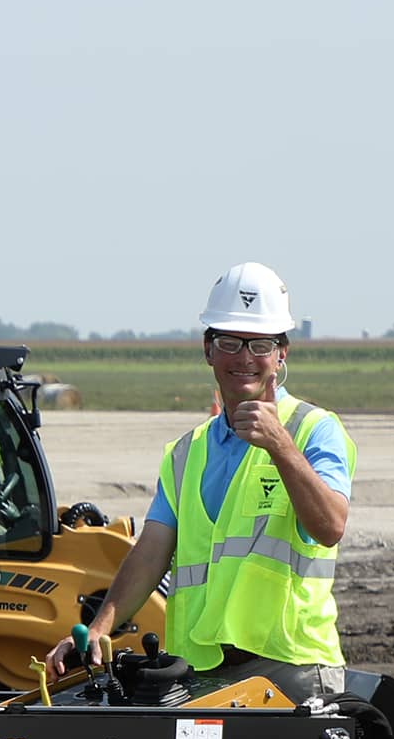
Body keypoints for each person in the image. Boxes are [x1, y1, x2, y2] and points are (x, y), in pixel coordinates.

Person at [49, 263, 350, 702]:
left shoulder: (313, 431)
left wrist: (281, 447)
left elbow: (330, 527)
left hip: (291, 669)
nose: (244, 358)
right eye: (229, 342)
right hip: (201, 673)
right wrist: (98, 629)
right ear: (208, 349)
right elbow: (151, 553)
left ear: (282, 353)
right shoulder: (186, 453)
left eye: (260, 344)